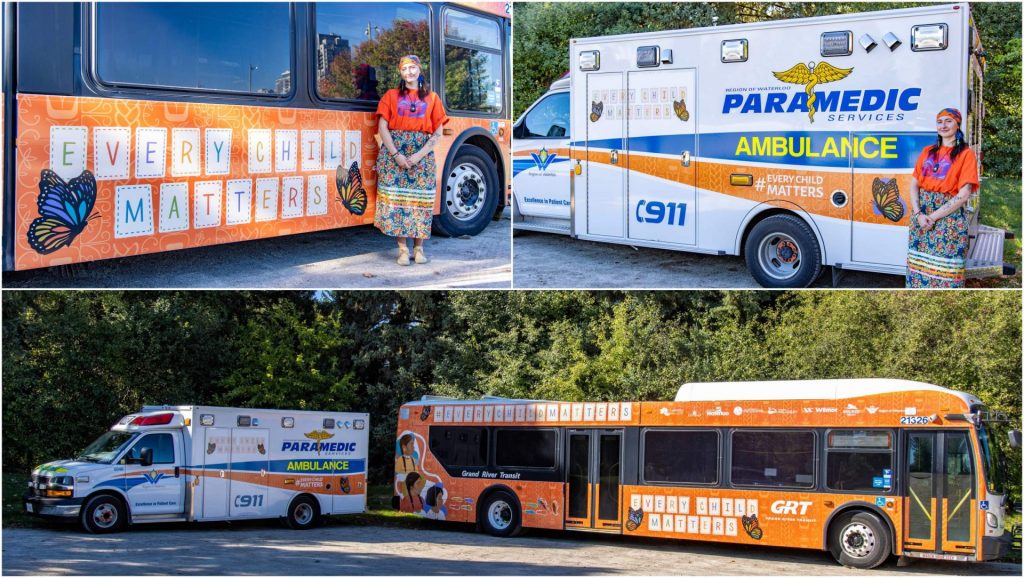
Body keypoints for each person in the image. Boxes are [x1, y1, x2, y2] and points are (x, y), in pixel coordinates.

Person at [375, 55, 449, 266]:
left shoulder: (432, 98)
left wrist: (418, 155)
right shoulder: (390, 96)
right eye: (405, 68)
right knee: (398, 202)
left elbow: (437, 132)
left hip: (422, 155)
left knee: (420, 202)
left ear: (419, 70)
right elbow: (382, 128)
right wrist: (396, 155)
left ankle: (419, 248)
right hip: (394, 154)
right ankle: (402, 250)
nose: (409, 72)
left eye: (412, 67)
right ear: (400, 73)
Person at [906, 108, 979, 288]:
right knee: (918, 271)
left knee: (947, 275)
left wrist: (932, 217)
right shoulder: (928, 151)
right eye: (940, 121)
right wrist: (918, 214)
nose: (943, 125)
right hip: (921, 217)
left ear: (957, 124)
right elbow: (914, 185)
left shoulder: (965, 154)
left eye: (948, 121)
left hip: (948, 220)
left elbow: (963, 195)